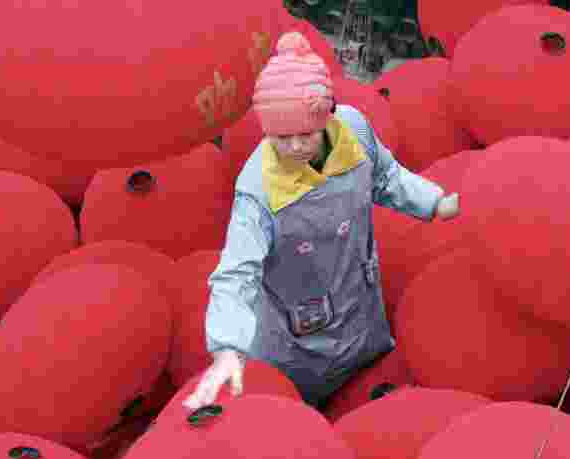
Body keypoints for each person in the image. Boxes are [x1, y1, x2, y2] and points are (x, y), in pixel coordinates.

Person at [183, 31, 460, 411]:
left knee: (370, 373)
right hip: (295, 341)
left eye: (305, 135)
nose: (295, 147)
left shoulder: (355, 132)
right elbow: (236, 272)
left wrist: (433, 202)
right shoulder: (258, 188)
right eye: (282, 137)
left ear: (327, 118)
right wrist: (227, 345)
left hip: (359, 303)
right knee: (302, 400)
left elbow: (387, 177)